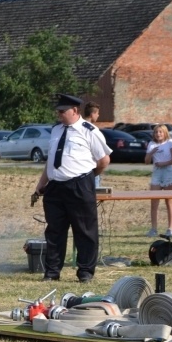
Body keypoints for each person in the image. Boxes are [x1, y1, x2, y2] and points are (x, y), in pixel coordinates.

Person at [33, 94, 112, 283]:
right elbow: (51, 162)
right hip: (55, 187)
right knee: (54, 231)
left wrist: (88, 177)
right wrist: (40, 185)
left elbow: (103, 161)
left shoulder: (89, 131)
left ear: (75, 110)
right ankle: (52, 272)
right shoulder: (56, 130)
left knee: (84, 231)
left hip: (79, 185)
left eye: (62, 111)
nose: (59, 115)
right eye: (57, 111)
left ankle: (85, 272)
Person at [144, 124, 172, 237]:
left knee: (169, 201)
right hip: (157, 172)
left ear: (165, 133)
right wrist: (151, 153)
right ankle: (153, 228)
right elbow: (146, 161)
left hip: (168, 171)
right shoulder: (152, 144)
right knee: (154, 201)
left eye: (160, 132)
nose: (158, 134)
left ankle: (170, 229)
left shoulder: (170, 143)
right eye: (156, 132)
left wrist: (164, 163)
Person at [83, 102, 103, 188]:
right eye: (97, 113)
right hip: (91, 170)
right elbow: (103, 157)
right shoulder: (93, 130)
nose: (98, 115)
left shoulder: (76, 127)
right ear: (92, 114)